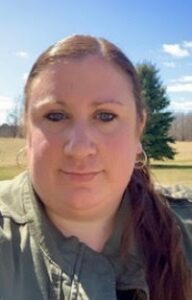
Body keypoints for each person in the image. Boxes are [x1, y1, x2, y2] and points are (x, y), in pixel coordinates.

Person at [0, 35, 191, 300]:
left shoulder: (183, 231)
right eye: (55, 116)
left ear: (139, 129)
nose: (79, 148)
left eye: (105, 116)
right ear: (27, 130)